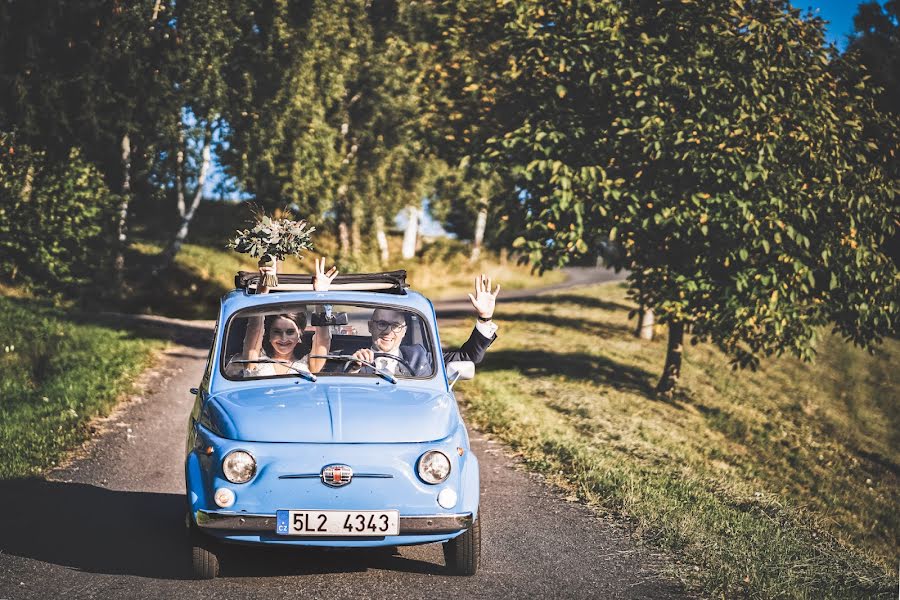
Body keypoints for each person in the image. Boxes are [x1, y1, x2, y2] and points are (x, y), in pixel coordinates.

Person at [347, 274, 500, 377]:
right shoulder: (349, 358)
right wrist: (354, 368)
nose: (388, 332)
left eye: (395, 326)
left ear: (404, 331)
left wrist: (485, 318)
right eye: (381, 324)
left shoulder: (419, 356)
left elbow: (467, 357)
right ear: (370, 326)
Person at [228, 258, 339, 377]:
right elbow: (254, 327)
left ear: (300, 334)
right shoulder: (255, 361)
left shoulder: (309, 365)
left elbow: (323, 340)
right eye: (277, 331)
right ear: (268, 334)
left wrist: (321, 296)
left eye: (290, 332)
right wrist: (262, 291)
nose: (283, 338)